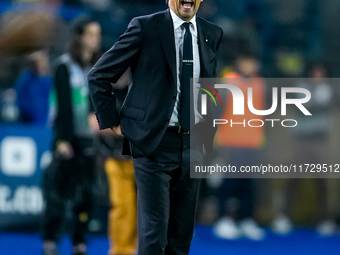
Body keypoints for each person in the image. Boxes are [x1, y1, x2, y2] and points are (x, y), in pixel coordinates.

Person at [88, 1, 223, 254]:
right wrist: (113, 123)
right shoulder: (144, 27)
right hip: (152, 144)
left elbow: (208, 88)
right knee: (154, 233)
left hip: (192, 146)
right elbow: (99, 75)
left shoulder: (211, 33)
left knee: (181, 236)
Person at [41, 16, 102, 255]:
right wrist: (62, 140)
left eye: (97, 34)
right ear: (78, 37)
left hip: (91, 138)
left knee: (86, 194)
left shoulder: (99, 66)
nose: (95, 39)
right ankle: (50, 239)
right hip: (67, 137)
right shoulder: (64, 67)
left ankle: (79, 241)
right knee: (58, 192)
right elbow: (63, 107)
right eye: (91, 34)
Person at [213, 54, 266, 241]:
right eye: (246, 61)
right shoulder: (228, 81)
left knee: (248, 184)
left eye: (252, 61)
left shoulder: (261, 83)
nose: (250, 65)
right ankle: (223, 220)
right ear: (239, 62)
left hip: (252, 142)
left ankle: (246, 220)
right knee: (228, 182)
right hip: (230, 141)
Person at [88, 70, 137, 255]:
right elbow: (95, 123)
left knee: (144, 208)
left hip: (141, 157)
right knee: (122, 206)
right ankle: (121, 251)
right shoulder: (101, 89)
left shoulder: (137, 89)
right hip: (114, 157)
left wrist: (116, 126)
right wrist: (127, 128)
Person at [14, 50, 52, 125]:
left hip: (46, 123)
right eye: (38, 62)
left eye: (43, 61)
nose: (41, 64)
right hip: (28, 124)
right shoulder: (25, 80)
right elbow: (20, 101)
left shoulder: (48, 81)